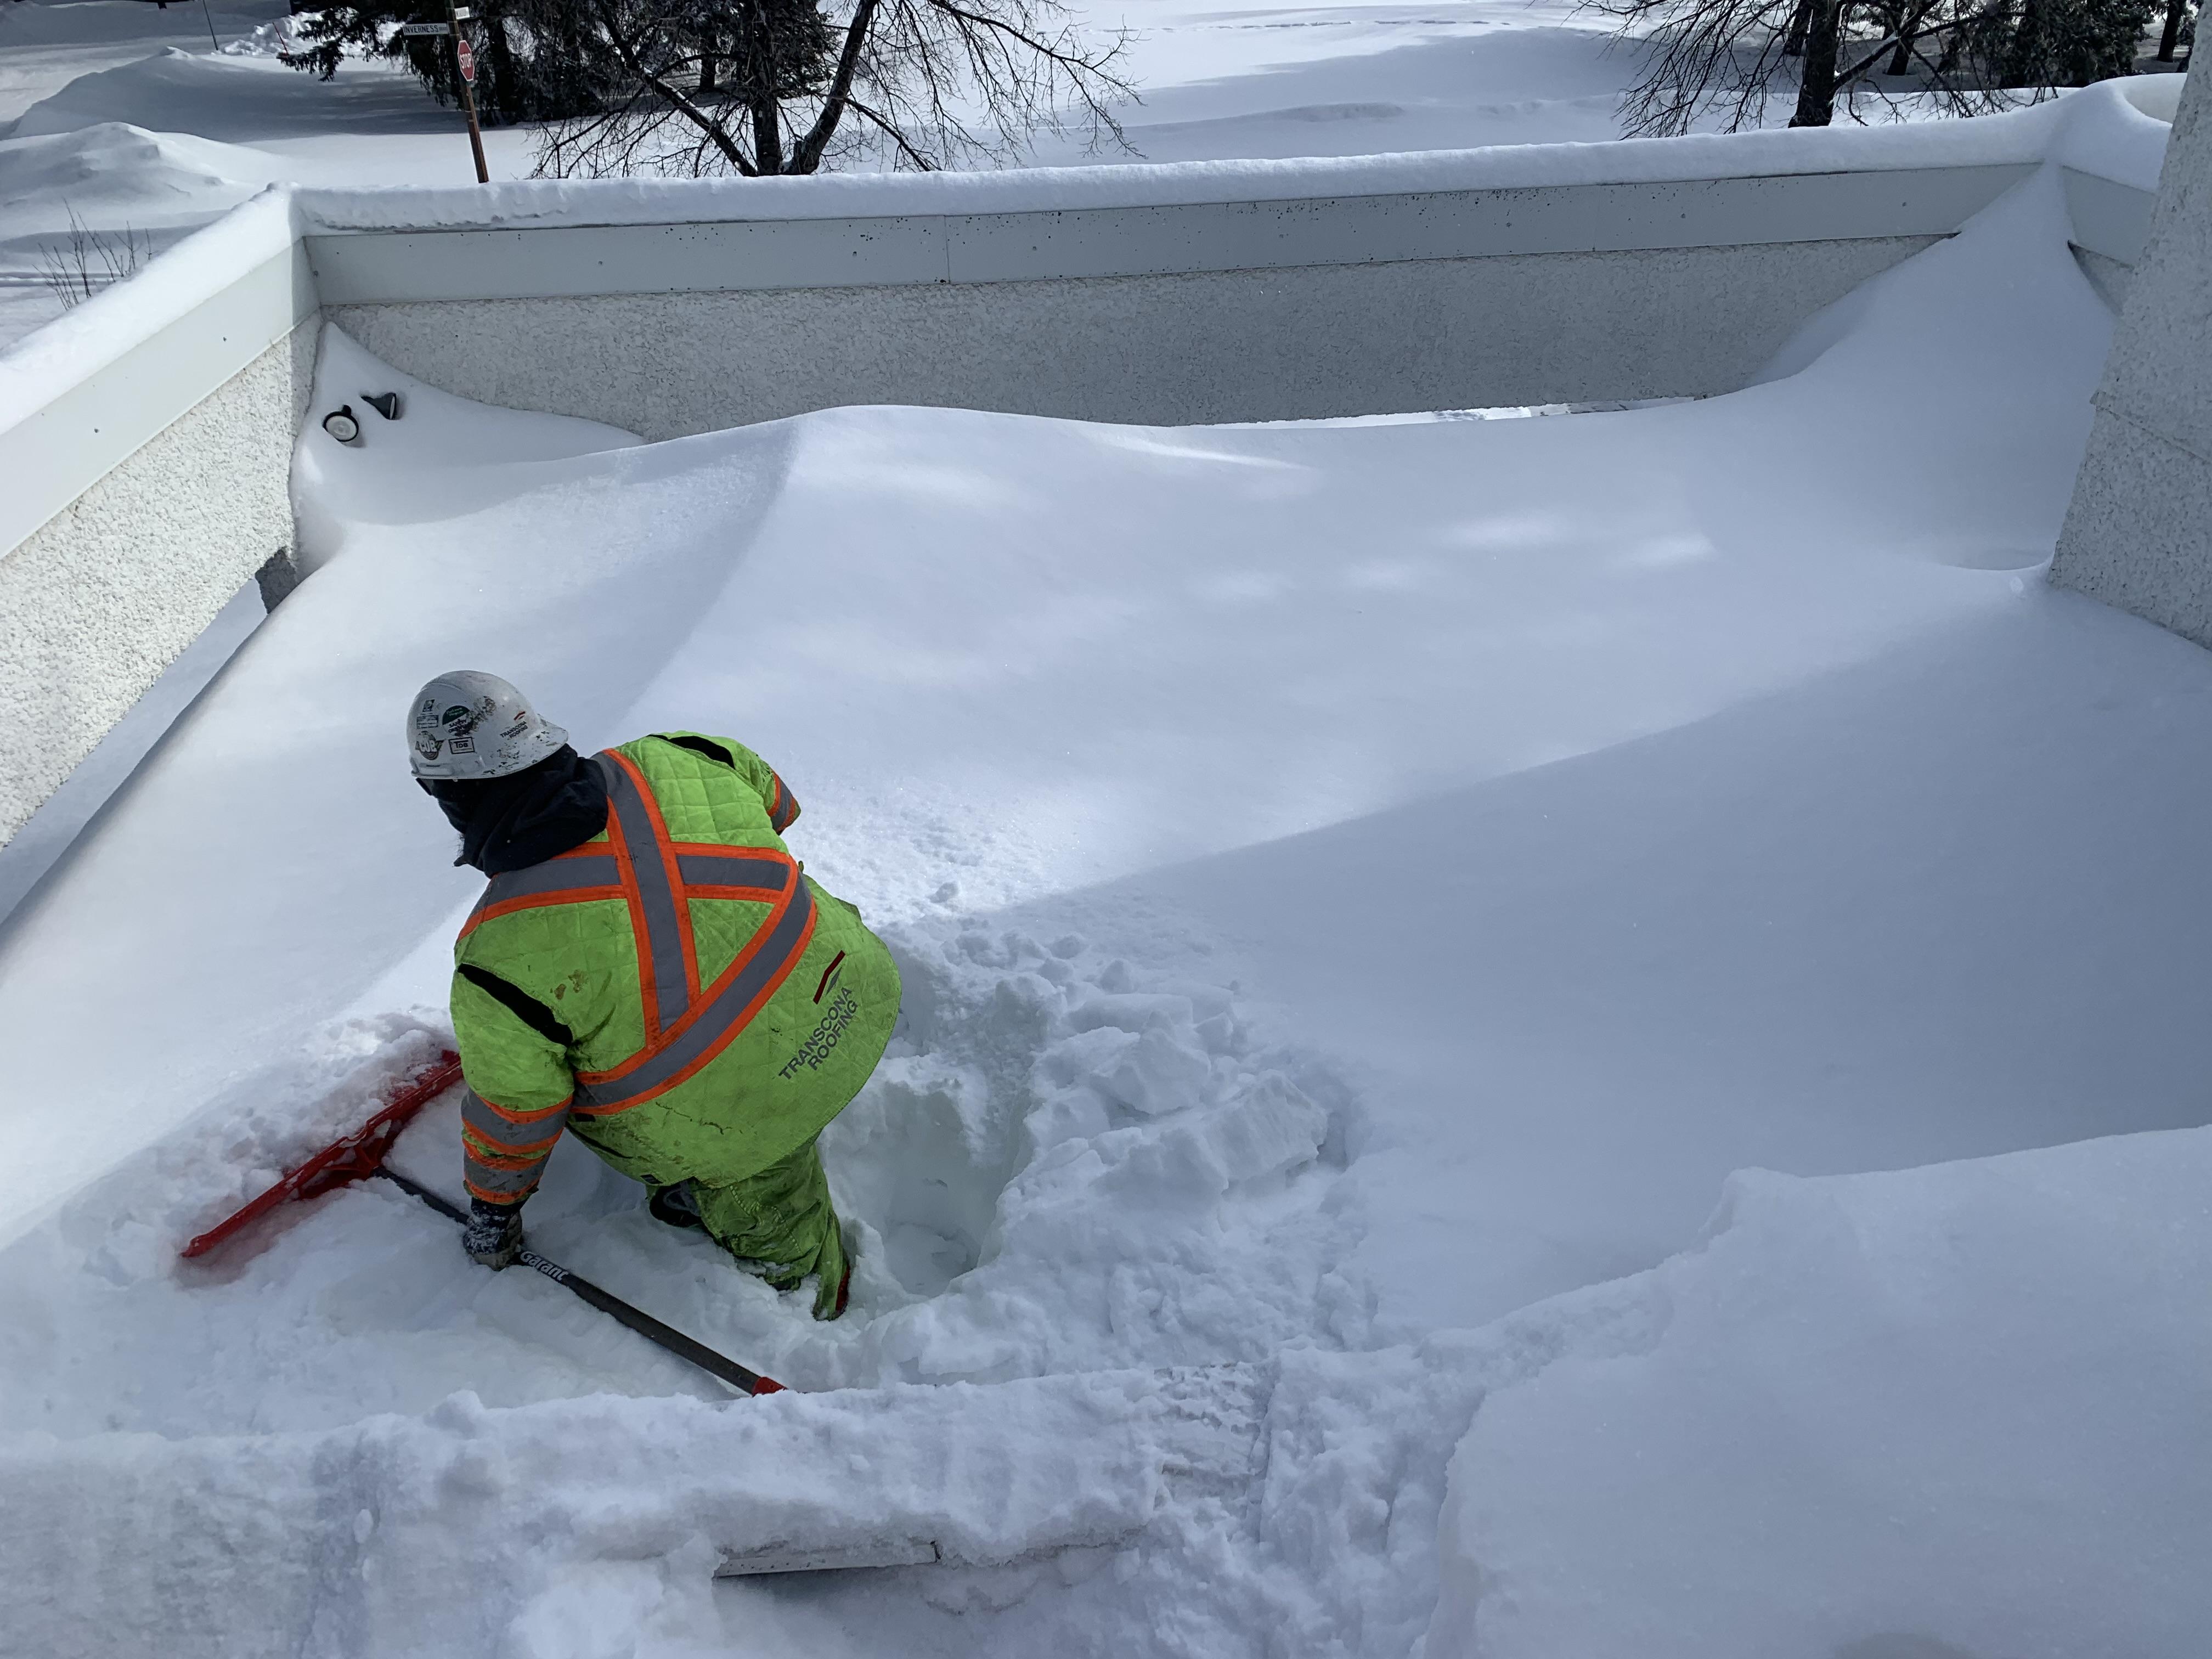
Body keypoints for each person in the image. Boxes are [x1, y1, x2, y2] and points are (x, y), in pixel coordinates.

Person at [406, 670, 900, 1319]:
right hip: (855, 989)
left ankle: (811, 1305)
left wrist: (495, 1210)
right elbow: (778, 808)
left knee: (748, 1187)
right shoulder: (683, 754)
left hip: (752, 1122)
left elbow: (519, 1114)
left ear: (448, 795)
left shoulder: (495, 961)